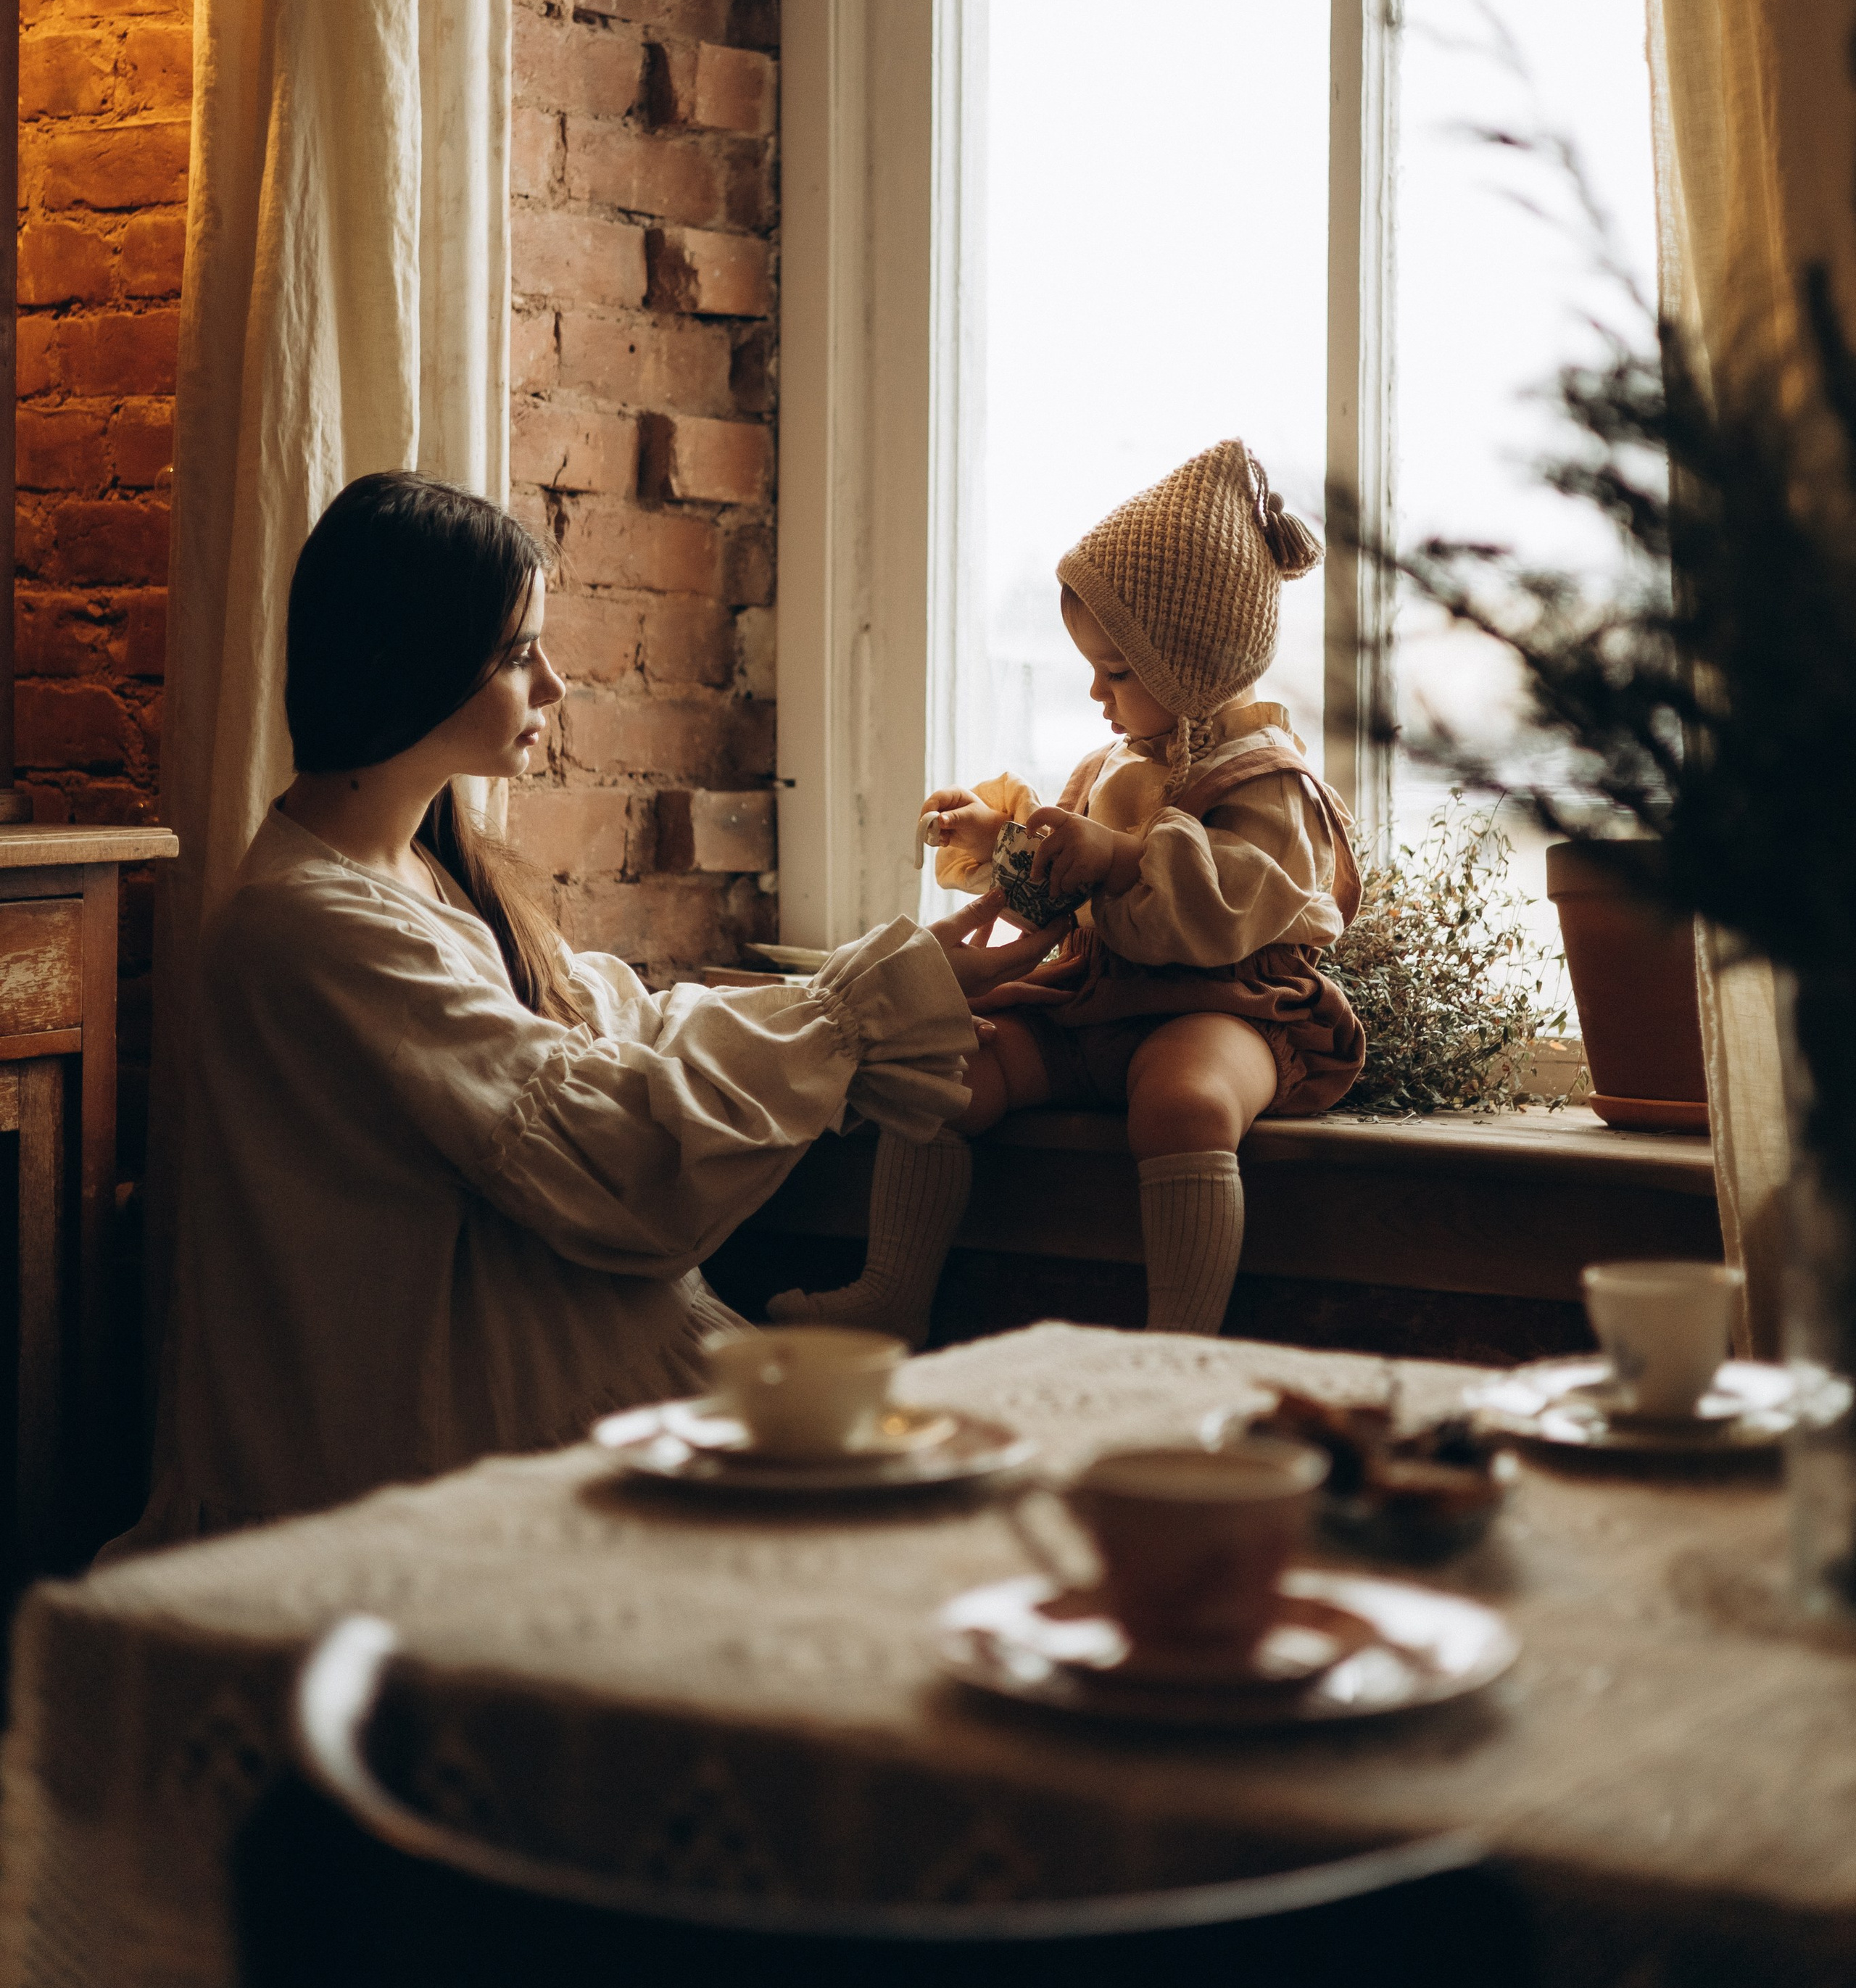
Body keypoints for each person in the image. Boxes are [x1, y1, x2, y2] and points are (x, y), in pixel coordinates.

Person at [123, 473, 1053, 1546]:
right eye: (520, 653)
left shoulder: (436, 871)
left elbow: (619, 1029)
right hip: (386, 1483)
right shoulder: (306, 927)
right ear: (415, 656)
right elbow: (607, 1143)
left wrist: (888, 984)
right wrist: (860, 1011)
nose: (555, 685)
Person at [771, 439, 1367, 1346]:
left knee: (1186, 1101)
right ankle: (889, 1293)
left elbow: (1238, 901)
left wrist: (1123, 859)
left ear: (1191, 666)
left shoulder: (1266, 781)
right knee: (940, 1066)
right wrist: (1000, 841)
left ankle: (1178, 1344)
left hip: (1227, 1004)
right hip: (1092, 1000)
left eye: (1118, 673)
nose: (1096, 692)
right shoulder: (1112, 766)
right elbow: (1064, 879)